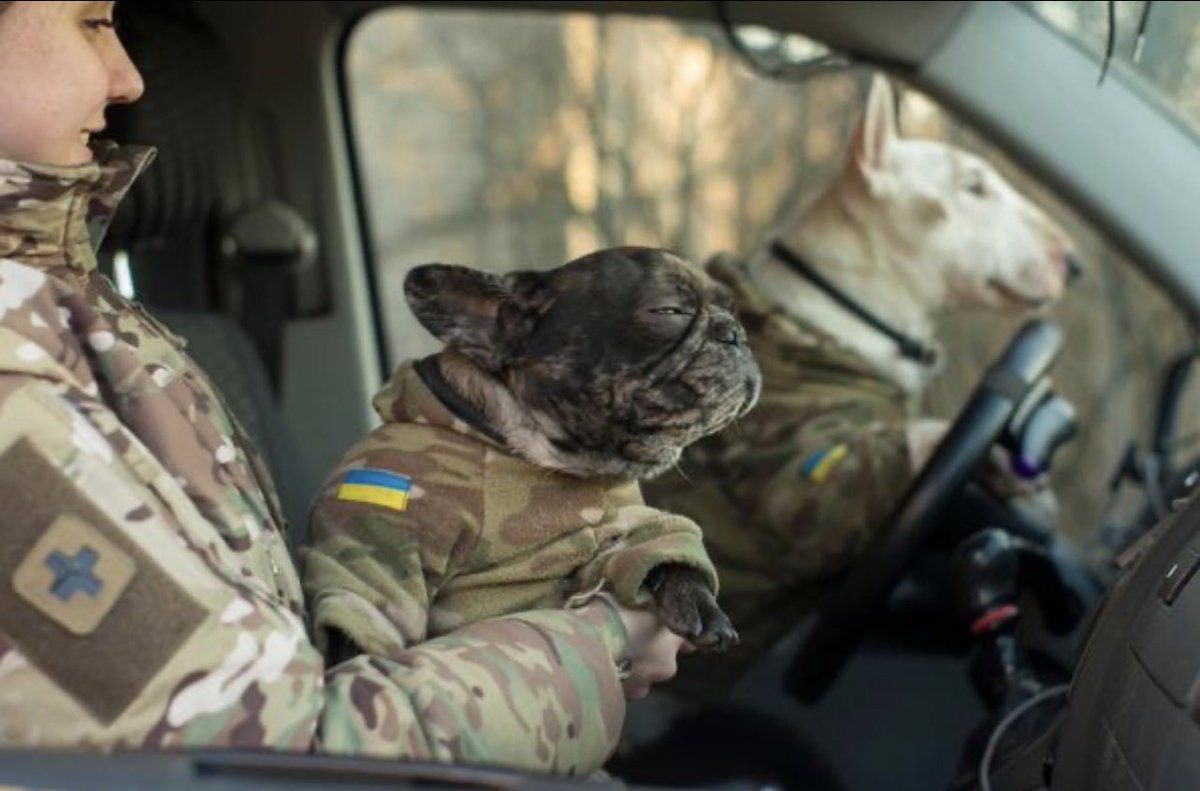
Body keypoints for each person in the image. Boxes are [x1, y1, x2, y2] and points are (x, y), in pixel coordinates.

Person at [0, 1, 687, 775]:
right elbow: (279, 757)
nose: (128, 78)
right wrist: (612, 640)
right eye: (91, 21)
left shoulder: (69, 308)